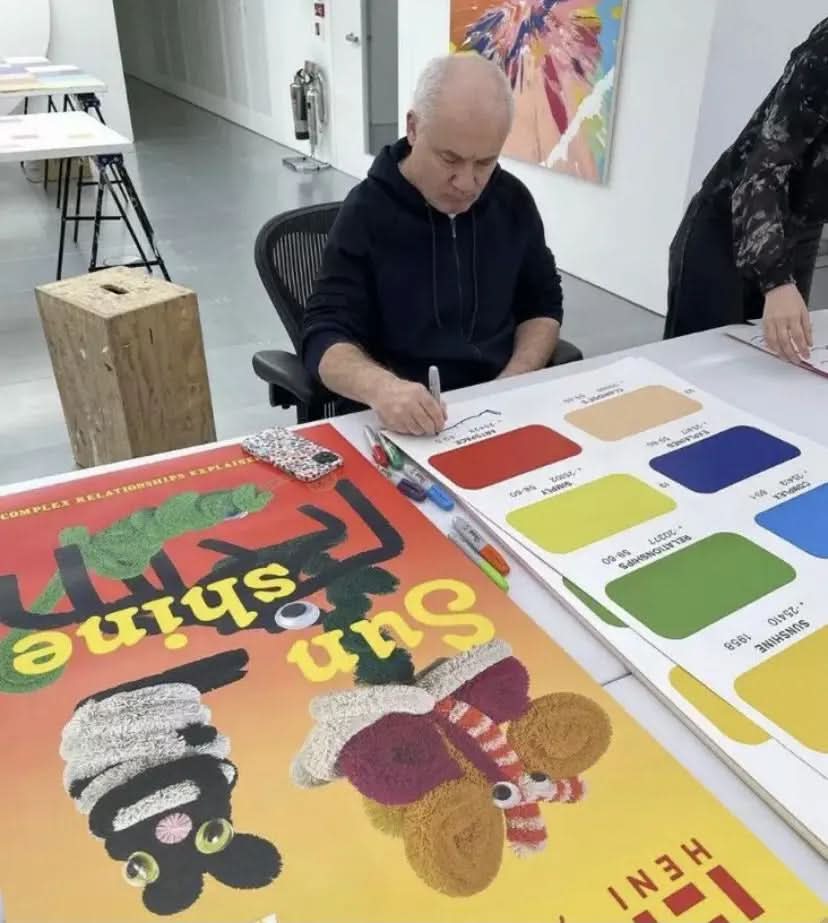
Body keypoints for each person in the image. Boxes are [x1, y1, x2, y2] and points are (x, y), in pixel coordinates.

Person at [301, 53, 564, 435]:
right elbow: (323, 334)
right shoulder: (366, 213)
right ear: (413, 128)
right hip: (401, 424)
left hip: (500, 409)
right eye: (449, 159)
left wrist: (515, 379)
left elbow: (541, 304)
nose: (467, 183)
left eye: (485, 162)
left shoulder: (512, 201)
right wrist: (382, 389)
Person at [665, 17, 827, 361]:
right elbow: (763, 170)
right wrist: (777, 281)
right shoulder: (823, 53)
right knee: (697, 364)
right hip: (731, 223)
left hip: (800, 226)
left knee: (777, 362)